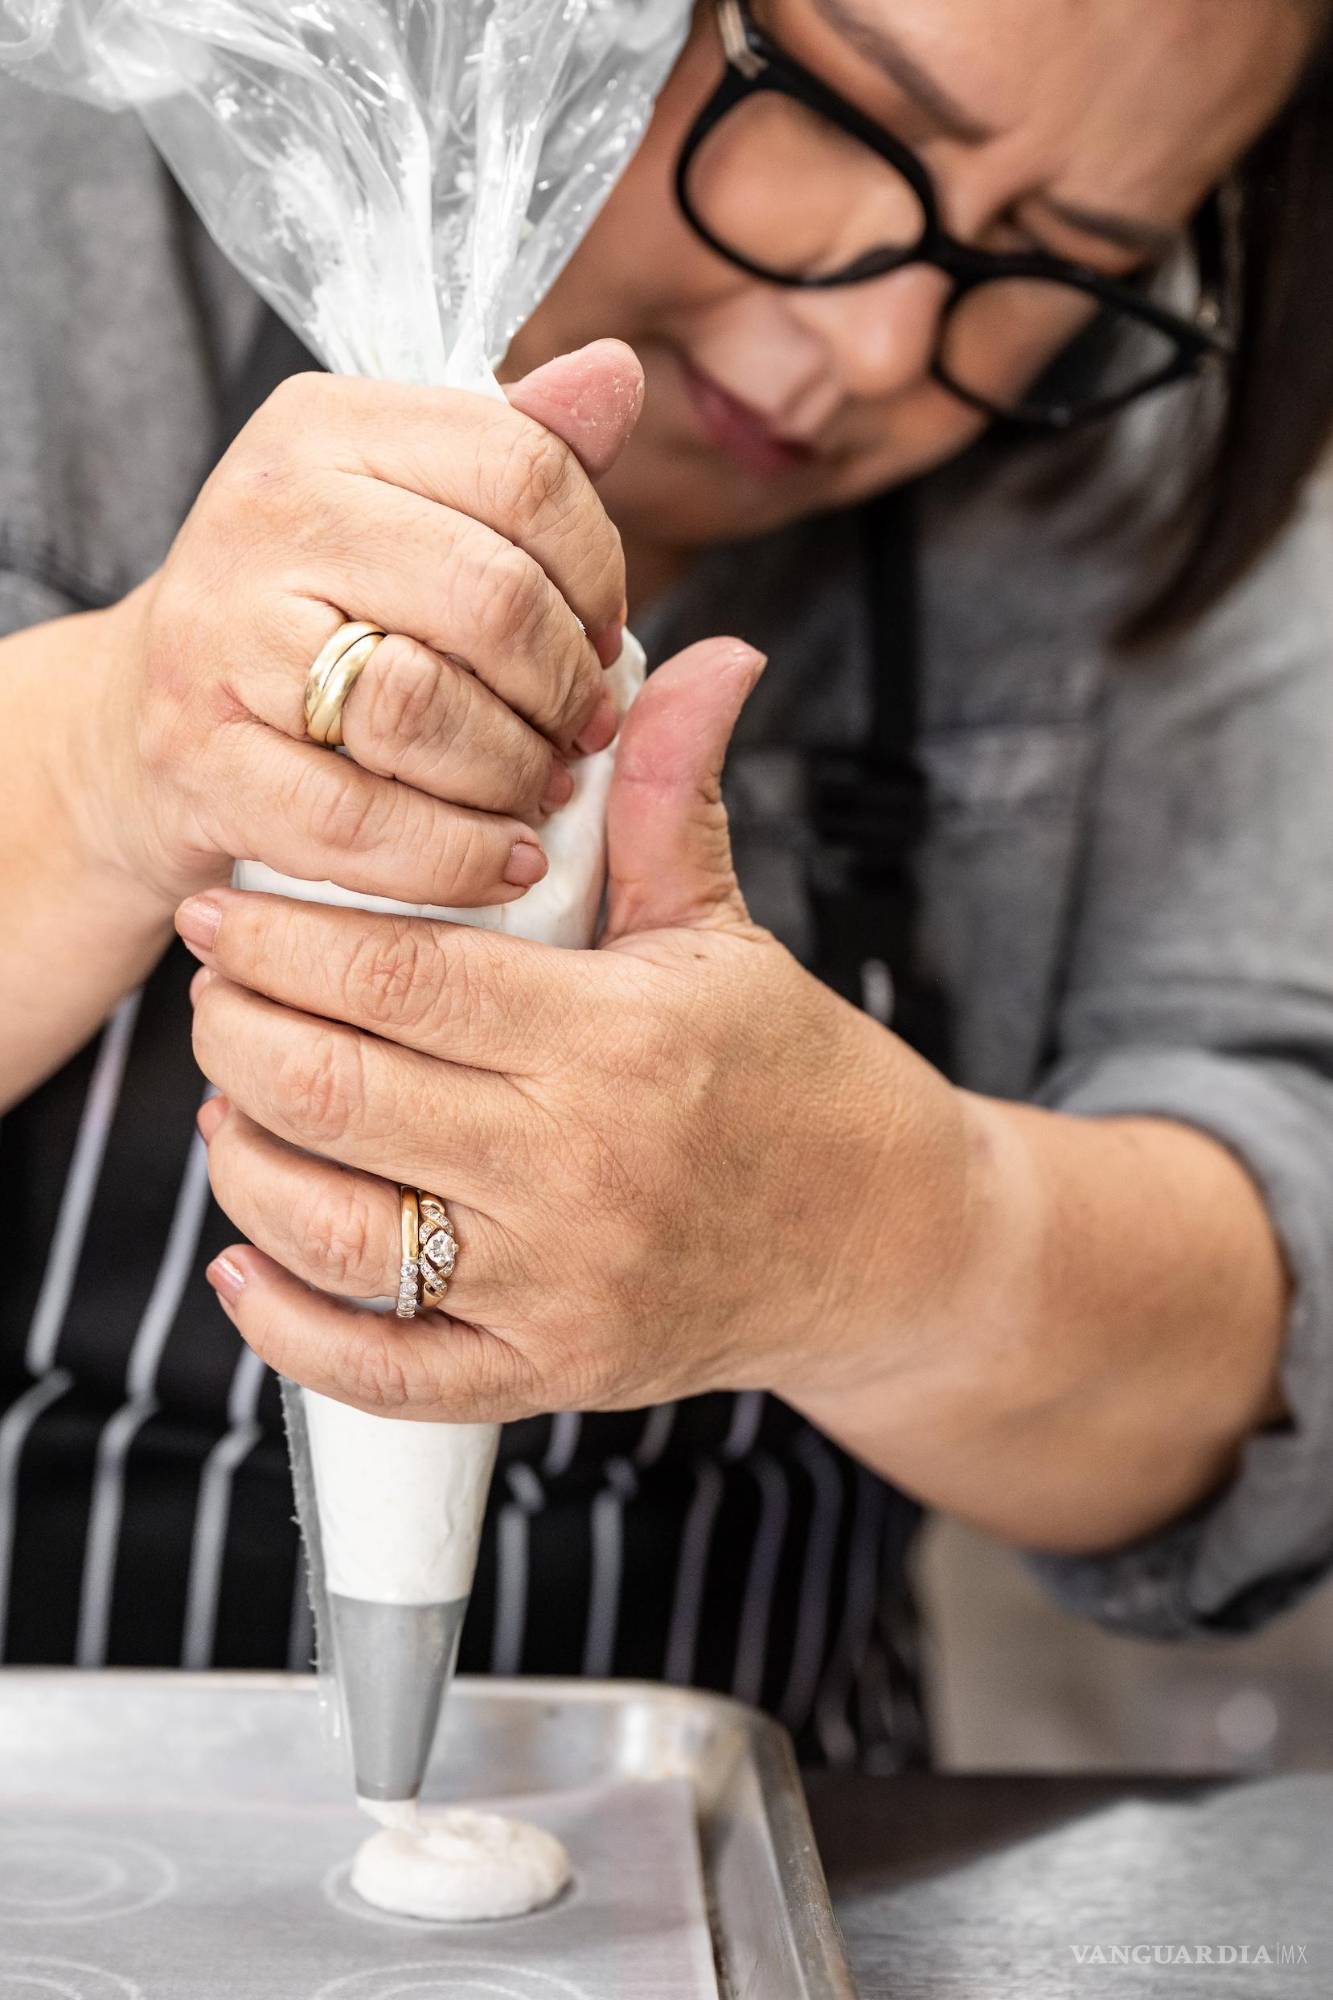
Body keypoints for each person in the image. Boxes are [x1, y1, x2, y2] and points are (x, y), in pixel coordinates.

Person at [2, 0, 1332, 1768]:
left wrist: (886, 1237)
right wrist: (109, 753)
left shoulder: (1146, 501)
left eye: (1057, 257)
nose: (867, 349)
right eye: (846, 115)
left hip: (724, 1840)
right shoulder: (64, 194)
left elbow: (1269, 1260)